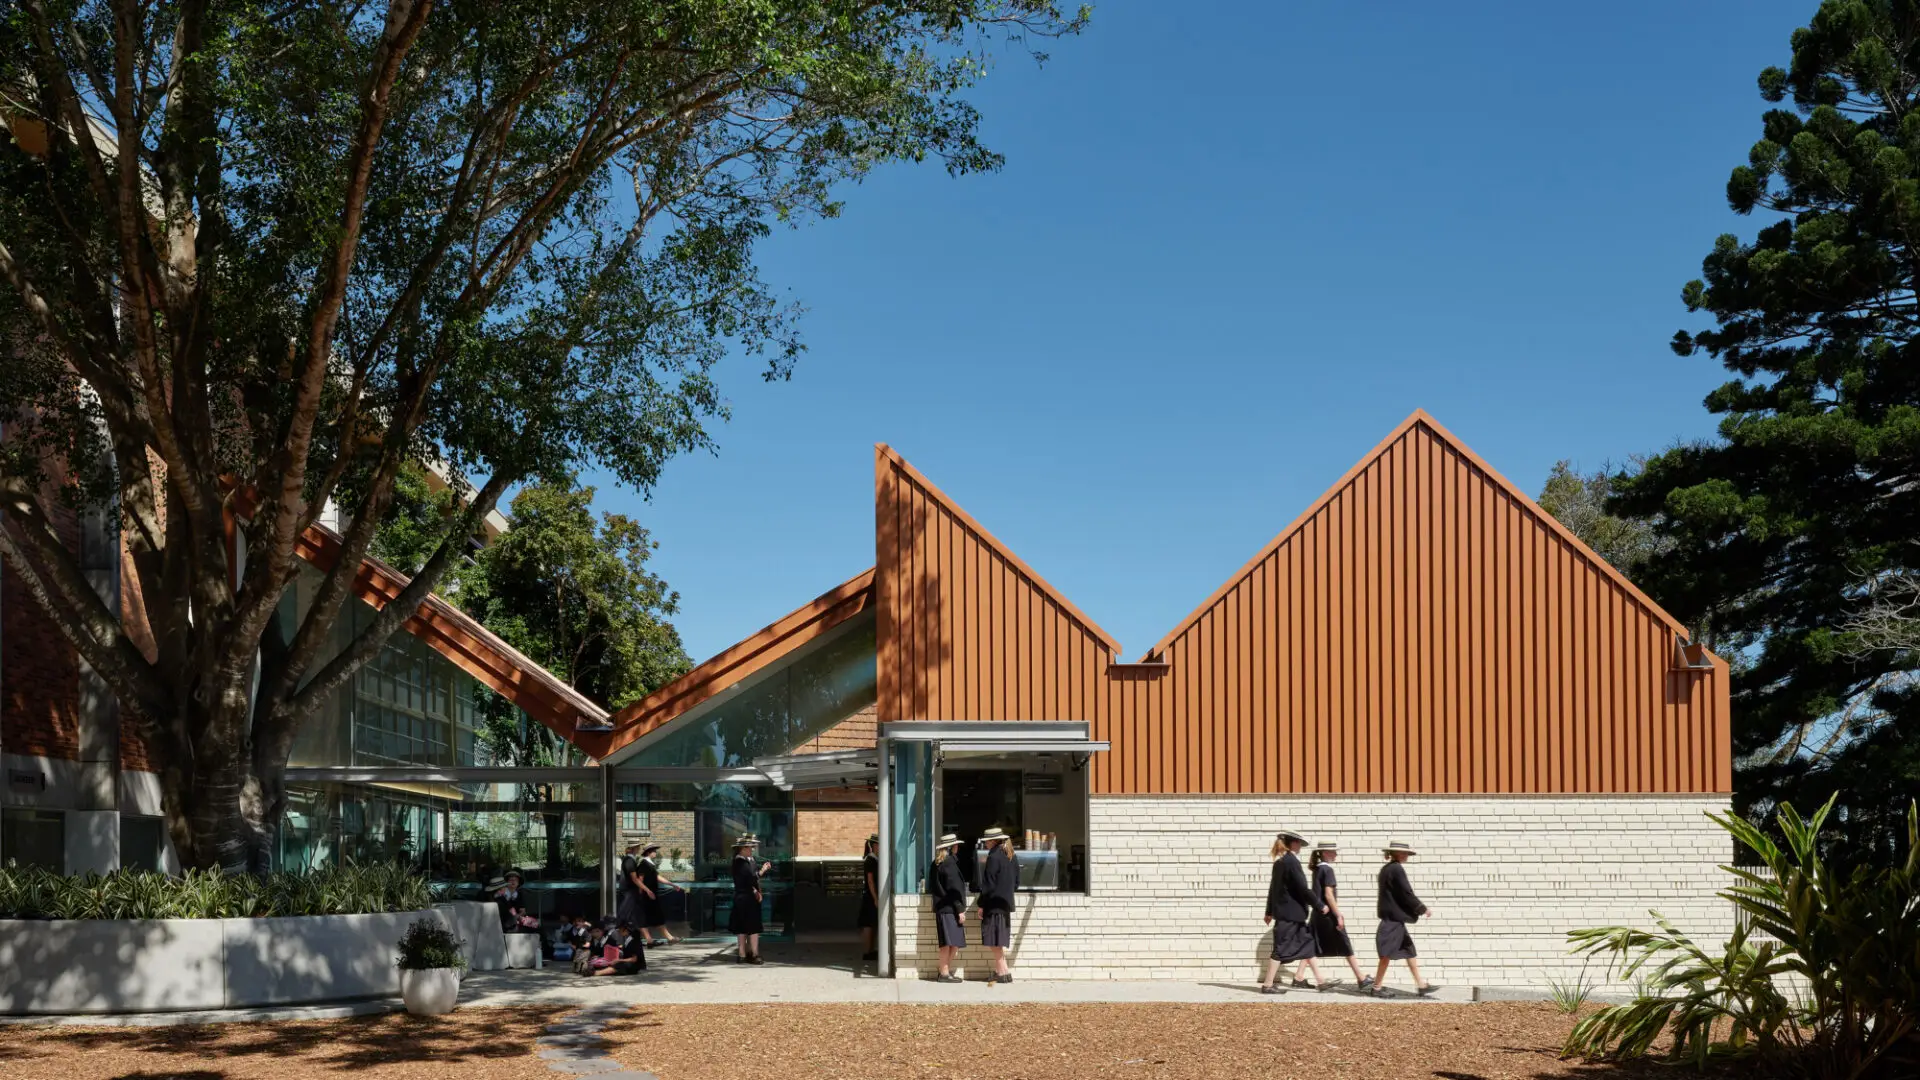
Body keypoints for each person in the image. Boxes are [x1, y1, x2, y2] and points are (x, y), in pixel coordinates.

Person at [1260, 829, 1324, 994]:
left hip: (1292, 915)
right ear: (1294, 843)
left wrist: (1269, 911)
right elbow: (1303, 889)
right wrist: (1319, 905)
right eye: (1299, 843)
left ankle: (1315, 980)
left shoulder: (1280, 862)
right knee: (1280, 949)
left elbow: (1273, 889)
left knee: (1308, 945)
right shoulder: (1291, 862)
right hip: (1290, 915)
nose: (1301, 846)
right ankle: (1267, 985)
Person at [1372, 840, 1439, 997]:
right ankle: (1376, 988)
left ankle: (1421, 985)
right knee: (1386, 954)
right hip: (1393, 920)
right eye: (1405, 853)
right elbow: (1406, 892)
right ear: (1397, 854)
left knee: (1409, 950)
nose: (1407, 855)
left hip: (1394, 918)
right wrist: (1422, 908)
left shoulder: (1386, 869)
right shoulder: (1397, 869)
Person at [1307, 841, 1372, 990]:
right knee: (1344, 942)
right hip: (1328, 914)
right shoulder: (1327, 870)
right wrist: (1338, 915)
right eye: (1333, 852)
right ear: (1325, 853)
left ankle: (1298, 977)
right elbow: (1329, 895)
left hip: (1317, 914)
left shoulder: (1317, 869)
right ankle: (1361, 978)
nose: (1336, 854)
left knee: (1311, 945)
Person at [974, 826, 1017, 984]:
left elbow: (988, 885)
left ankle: (1004, 972)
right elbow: (1017, 883)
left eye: (987, 841)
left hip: (993, 905)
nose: (985, 844)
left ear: (993, 841)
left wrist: (981, 904)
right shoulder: (1011, 855)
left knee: (994, 940)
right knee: (998, 941)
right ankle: (1001, 972)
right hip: (1005, 904)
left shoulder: (993, 857)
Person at [928, 832, 967, 983]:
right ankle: (944, 973)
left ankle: (944, 971)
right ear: (952, 847)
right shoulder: (949, 863)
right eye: (956, 845)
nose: (958, 847)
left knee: (950, 942)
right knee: (949, 943)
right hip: (950, 909)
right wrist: (960, 909)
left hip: (943, 908)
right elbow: (953, 889)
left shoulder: (936, 863)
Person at [729, 834, 772, 964]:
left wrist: (758, 892)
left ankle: (746, 954)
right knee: (748, 927)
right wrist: (763, 870)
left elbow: (753, 881)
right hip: (744, 898)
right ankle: (750, 954)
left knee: (747, 926)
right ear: (742, 848)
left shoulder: (749, 860)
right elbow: (752, 878)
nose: (752, 849)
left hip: (748, 897)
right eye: (750, 847)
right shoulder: (739, 862)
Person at [636, 844, 681, 946]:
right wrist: (642, 894)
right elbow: (640, 880)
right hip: (646, 896)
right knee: (646, 918)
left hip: (651, 896)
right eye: (654, 851)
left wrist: (672, 884)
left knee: (655, 917)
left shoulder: (650, 864)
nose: (655, 853)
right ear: (648, 852)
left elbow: (657, 877)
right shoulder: (643, 864)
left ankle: (662, 939)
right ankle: (658, 939)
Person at [858, 833, 881, 963]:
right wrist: (875, 898)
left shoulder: (876, 859)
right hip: (870, 897)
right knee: (868, 924)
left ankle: (871, 950)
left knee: (873, 924)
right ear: (875, 845)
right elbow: (870, 881)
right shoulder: (870, 860)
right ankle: (867, 952)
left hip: (873, 896)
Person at [616, 841, 646, 930]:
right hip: (629, 891)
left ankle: (632, 934)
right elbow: (634, 878)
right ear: (633, 848)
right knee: (624, 915)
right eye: (638, 847)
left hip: (629, 891)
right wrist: (646, 889)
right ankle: (617, 934)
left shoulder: (630, 859)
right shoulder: (629, 860)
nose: (639, 849)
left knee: (631, 915)